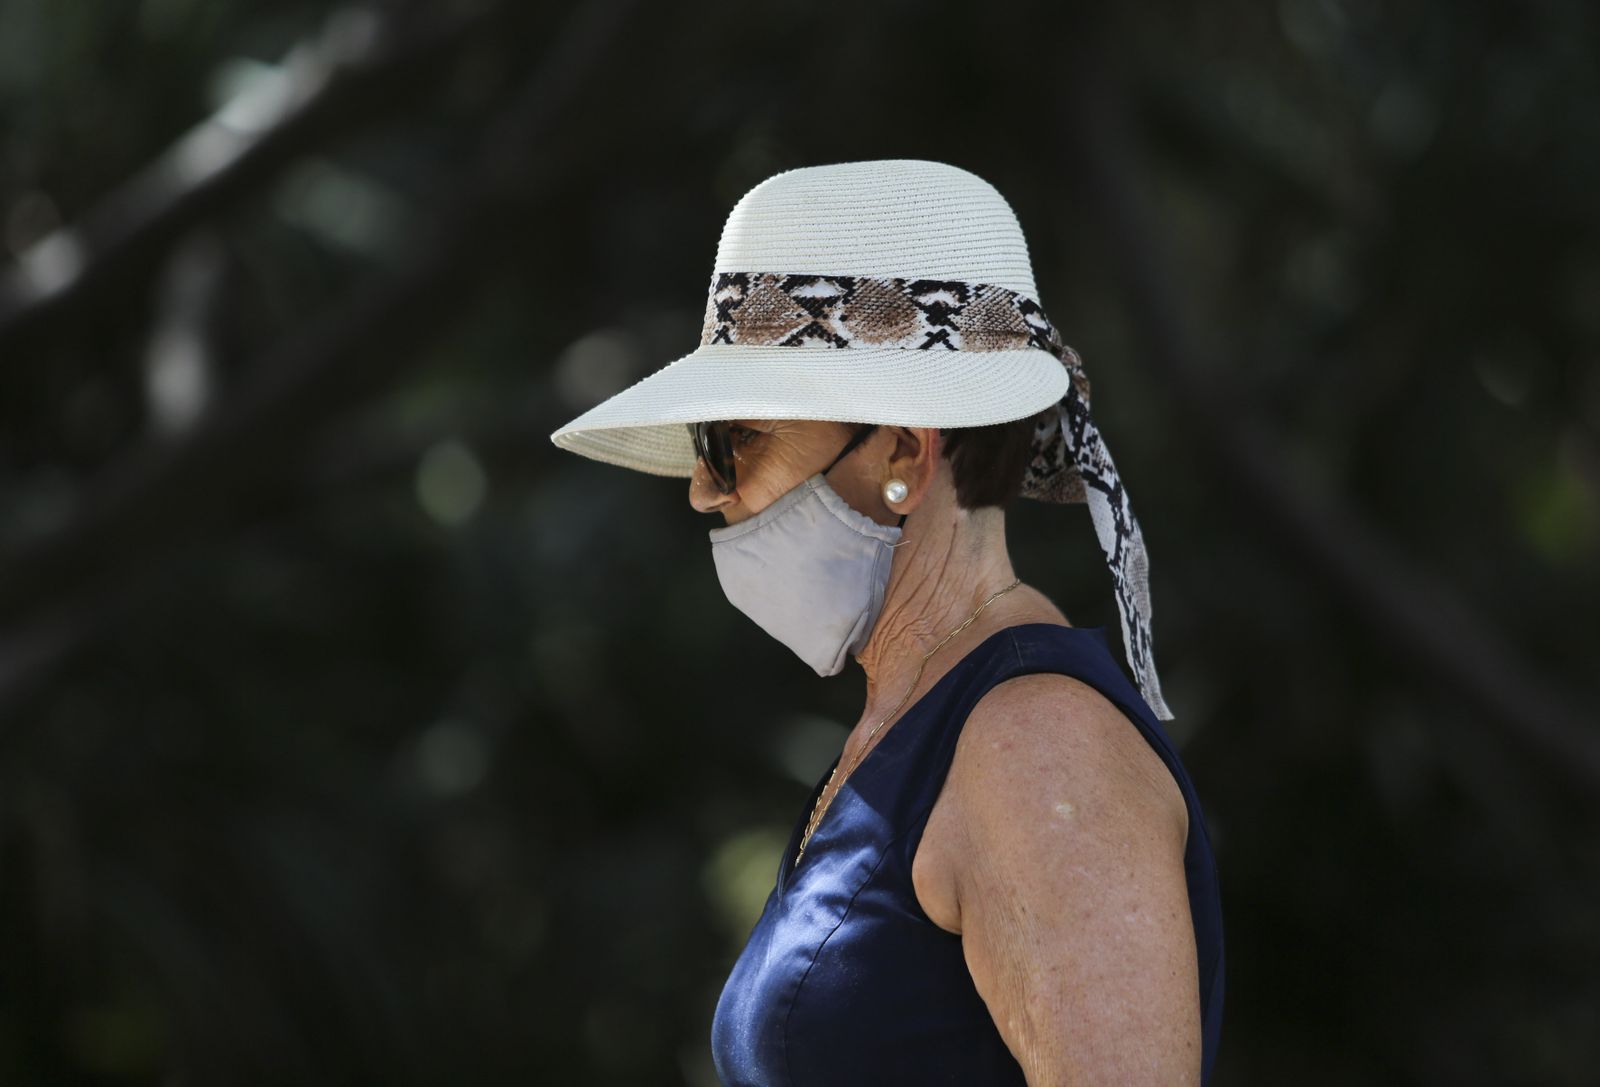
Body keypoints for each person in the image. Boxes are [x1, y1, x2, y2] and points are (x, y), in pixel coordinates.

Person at [550, 159, 1224, 1085]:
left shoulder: (1038, 746)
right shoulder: (922, 713)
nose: (705, 488)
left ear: (904, 450)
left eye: (733, 440)